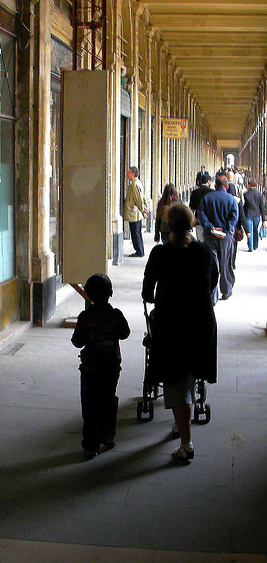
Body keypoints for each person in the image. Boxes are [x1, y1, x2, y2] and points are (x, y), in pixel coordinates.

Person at [142, 204, 218, 462]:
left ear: (168, 225)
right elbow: (213, 282)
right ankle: (180, 423)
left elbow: (146, 289)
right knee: (189, 375)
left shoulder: (161, 253)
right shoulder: (205, 251)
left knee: (175, 383)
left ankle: (186, 444)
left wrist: (155, 297)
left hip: (173, 324)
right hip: (202, 323)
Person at [71, 273, 130, 458]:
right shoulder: (116, 315)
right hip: (111, 368)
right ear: (111, 293)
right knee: (109, 401)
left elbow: (77, 342)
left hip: (90, 370)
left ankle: (90, 445)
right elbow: (125, 333)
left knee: (90, 406)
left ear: (87, 294)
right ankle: (108, 435)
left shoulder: (84, 318)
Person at [197, 176, 238, 301]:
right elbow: (234, 216)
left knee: (211, 264)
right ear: (226, 186)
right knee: (225, 263)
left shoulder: (206, 198)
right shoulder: (231, 199)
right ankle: (226, 290)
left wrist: (211, 228)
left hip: (210, 236)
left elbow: (201, 215)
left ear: (215, 186)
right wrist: (226, 228)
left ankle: (212, 295)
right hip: (225, 237)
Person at [124, 166, 148, 257]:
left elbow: (138, 199)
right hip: (135, 213)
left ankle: (139, 251)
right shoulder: (136, 183)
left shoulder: (135, 185)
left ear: (133, 174)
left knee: (135, 233)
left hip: (134, 213)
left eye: (128, 172)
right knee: (136, 232)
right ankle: (139, 250)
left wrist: (143, 209)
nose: (127, 174)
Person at [243, 177, 267, 252]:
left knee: (249, 230)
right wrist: (263, 219)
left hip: (248, 214)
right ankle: (255, 245)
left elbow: (244, 206)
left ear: (249, 185)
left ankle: (250, 247)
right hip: (257, 214)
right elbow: (262, 207)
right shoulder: (259, 195)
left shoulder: (245, 194)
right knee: (255, 230)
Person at [189, 173, 213, 241]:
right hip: (210, 220)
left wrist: (192, 221)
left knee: (200, 240)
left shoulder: (194, 192)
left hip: (198, 220)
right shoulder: (212, 192)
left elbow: (191, 209)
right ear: (208, 181)